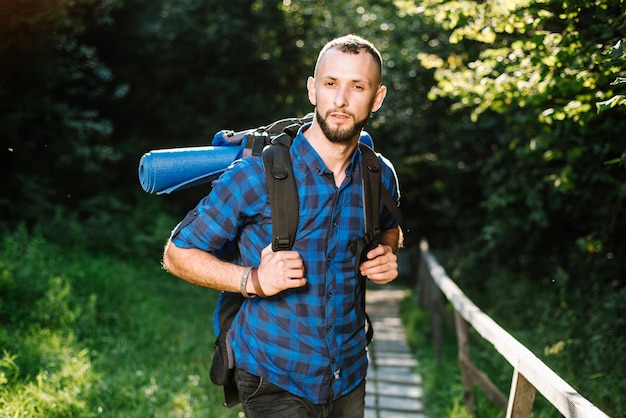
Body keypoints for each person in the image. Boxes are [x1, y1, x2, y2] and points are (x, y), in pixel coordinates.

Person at [162, 34, 401, 418]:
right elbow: (177, 254)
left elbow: (391, 227)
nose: (341, 100)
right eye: (330, 84)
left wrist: (388, 251)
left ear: (377, 98)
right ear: (312, 90)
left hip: (350, 373)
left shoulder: (379, 175)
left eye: (357, 86)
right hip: (273, 372)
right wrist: (253, 280)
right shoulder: (255, 177)